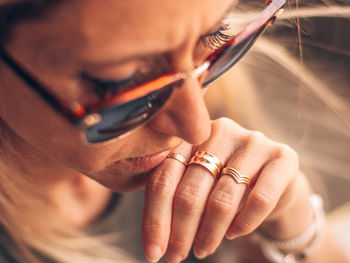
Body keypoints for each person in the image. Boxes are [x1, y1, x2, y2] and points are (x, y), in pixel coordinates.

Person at [0, 0, 348, 263]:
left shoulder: (222, 95)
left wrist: (291, 227)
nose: (196, 127)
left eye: (217, 36)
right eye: (117, 82)